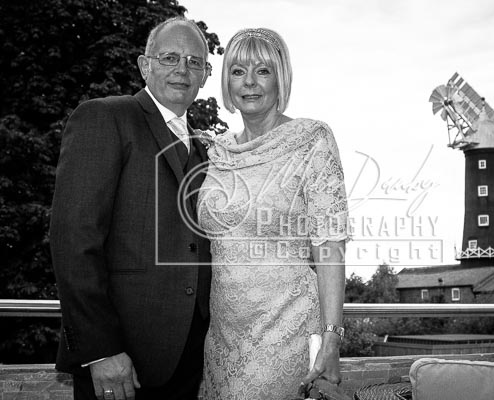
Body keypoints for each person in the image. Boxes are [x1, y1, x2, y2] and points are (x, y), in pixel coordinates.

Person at [49, 17, 212, 400]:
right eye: (170, 57)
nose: (181, 70)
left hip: (193, 360)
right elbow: (73, 238)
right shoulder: (105, 117)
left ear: (205, 75)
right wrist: (99, 349)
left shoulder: (206, 148)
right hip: (121, 360)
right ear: (145, 65)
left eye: (194, 62)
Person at [197, 28, 349, 399]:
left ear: (280, 78)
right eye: (237, 71)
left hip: (287, 328)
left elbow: (329, 244)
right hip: (222, 337)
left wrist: (332, 337)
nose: (249, 82)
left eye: (262, 70)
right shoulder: (217, 152)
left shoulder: (312, 139)